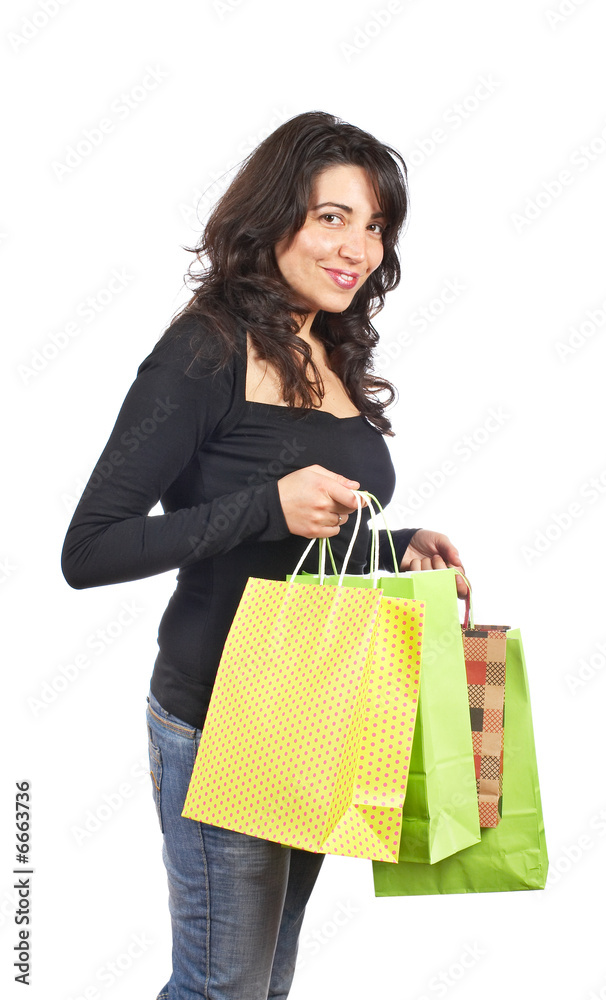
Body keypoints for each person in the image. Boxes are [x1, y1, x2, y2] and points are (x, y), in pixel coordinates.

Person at [61, 110, 468, 1000]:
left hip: (310, 708)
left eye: (374, 225)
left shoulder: (327, 344)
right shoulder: (203, 349)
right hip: (217, 717)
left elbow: (303, 540)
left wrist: (396, 546)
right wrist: (266, 506)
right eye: (332, 216)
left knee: (262, 985)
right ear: (273, 215)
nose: (357, 247)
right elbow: (89, 549)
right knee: (221, 991)